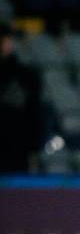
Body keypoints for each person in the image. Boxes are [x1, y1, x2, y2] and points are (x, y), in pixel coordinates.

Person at [0, 24, 42, 172]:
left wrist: (34, 146)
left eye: (7, 40)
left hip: (18, 144)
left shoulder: (25, 75)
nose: (8, 44)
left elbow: (34, 112)